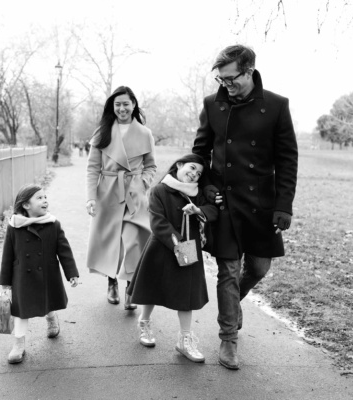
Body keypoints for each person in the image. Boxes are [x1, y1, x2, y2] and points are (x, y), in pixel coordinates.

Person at [192, 45, 298, 370]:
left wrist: (284, 205)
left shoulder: (276, 106)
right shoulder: (213, 105)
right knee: (227, 271)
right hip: (224, 203)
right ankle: (228, 340)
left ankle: (232, 304)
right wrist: (207, 188)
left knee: (260, 268)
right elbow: (199, 154)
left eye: (231, 78)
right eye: (220, 79)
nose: (225, 85)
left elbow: (287, 159)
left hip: (260, 205)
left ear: (249, 70)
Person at [127, 154, 218, 362]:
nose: (194, 174)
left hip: (189, 249)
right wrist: (179, 246)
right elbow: (158, 222)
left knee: (186, 295)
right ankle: (144, 322)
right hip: (162, 248)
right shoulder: (160, 190)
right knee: (151, 289)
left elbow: (213, 211)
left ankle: (185, 340)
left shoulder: (198, 194)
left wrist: (199, 209)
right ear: (179, 165)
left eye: (198, 173)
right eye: (192, 168)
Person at [85, 86, 157, 310]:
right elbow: (92, 168)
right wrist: (91, 198)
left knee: (134, 240)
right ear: (112, 107)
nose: (122, 108)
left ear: (133, 105)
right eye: (117, 104)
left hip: (134, 194)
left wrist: (142, 183)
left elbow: (151, 166)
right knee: (110, 240)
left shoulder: (145, 133)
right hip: (108, 193)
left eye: (126, 103)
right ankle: (112, 282)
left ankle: (130, 288)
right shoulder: (102, 132)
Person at [0, 184, 79, 364]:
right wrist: (5, 282)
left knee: (46, 299)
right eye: (39, 198)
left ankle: (51, 318)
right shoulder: (14, 226)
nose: (45, 201)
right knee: (21, 311)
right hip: (22, 276)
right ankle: (18, 345)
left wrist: (71, 273)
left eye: (45, 197)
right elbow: (7, 255)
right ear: (26, 205)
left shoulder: (53, 223)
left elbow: (64, 250)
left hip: (47, 272)